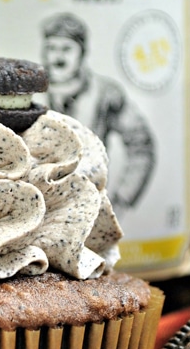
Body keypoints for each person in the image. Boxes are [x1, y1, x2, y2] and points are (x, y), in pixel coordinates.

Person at [41, 12, 156, 219]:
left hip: (89, 212)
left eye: (66, 49)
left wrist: (123, 199)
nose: (58, 57)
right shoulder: (27, 92)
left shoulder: (106, 94)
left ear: (82, 52)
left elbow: (141, 144)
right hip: (35, 215)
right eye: (51, 48)